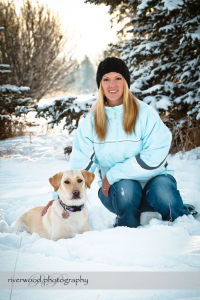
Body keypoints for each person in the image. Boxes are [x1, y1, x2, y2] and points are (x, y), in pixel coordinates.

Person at [42, 57, 196, 225]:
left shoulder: (145, 114)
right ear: (100, 85)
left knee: (164, 194)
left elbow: (155, 156)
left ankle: (181, 220)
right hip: (119, 190)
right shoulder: (91, 122)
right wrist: (58, 198)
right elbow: (79, 167)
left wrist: (113, 174)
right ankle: (126, 230)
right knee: (127, 190)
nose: (112, 85)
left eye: (118, 79)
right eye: (106, 79)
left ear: (126, 83)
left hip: (155, 180)